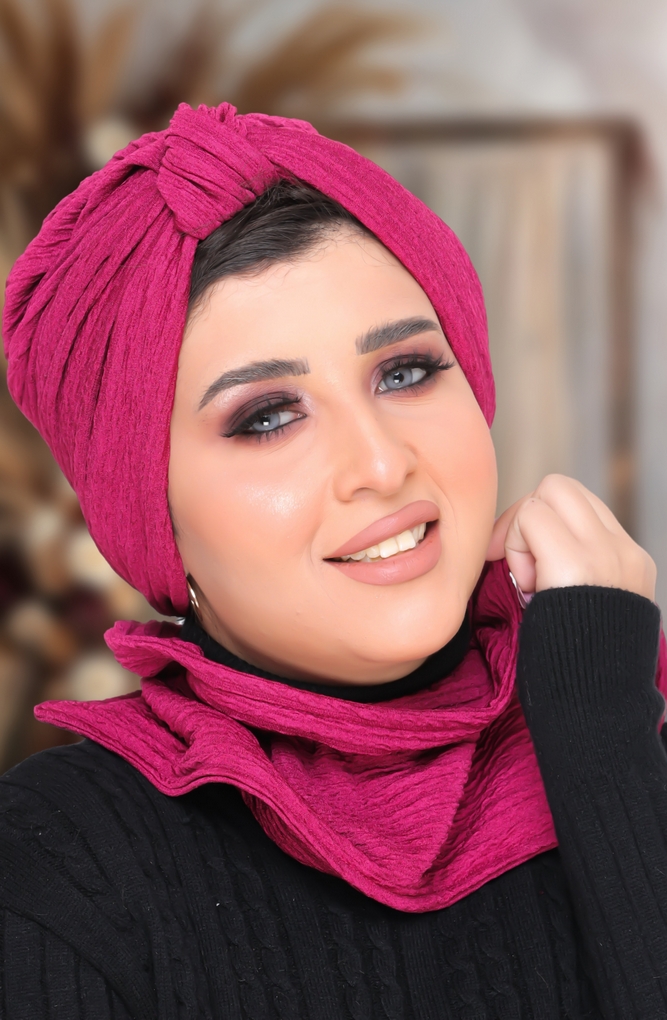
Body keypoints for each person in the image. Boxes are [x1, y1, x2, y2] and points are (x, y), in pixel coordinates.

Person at [1, 101, 666, 1020]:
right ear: (150, 516)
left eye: (405, 372)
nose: (381, 466)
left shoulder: (628, 725)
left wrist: (604, 738)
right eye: (266, 418)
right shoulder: (60, 868)